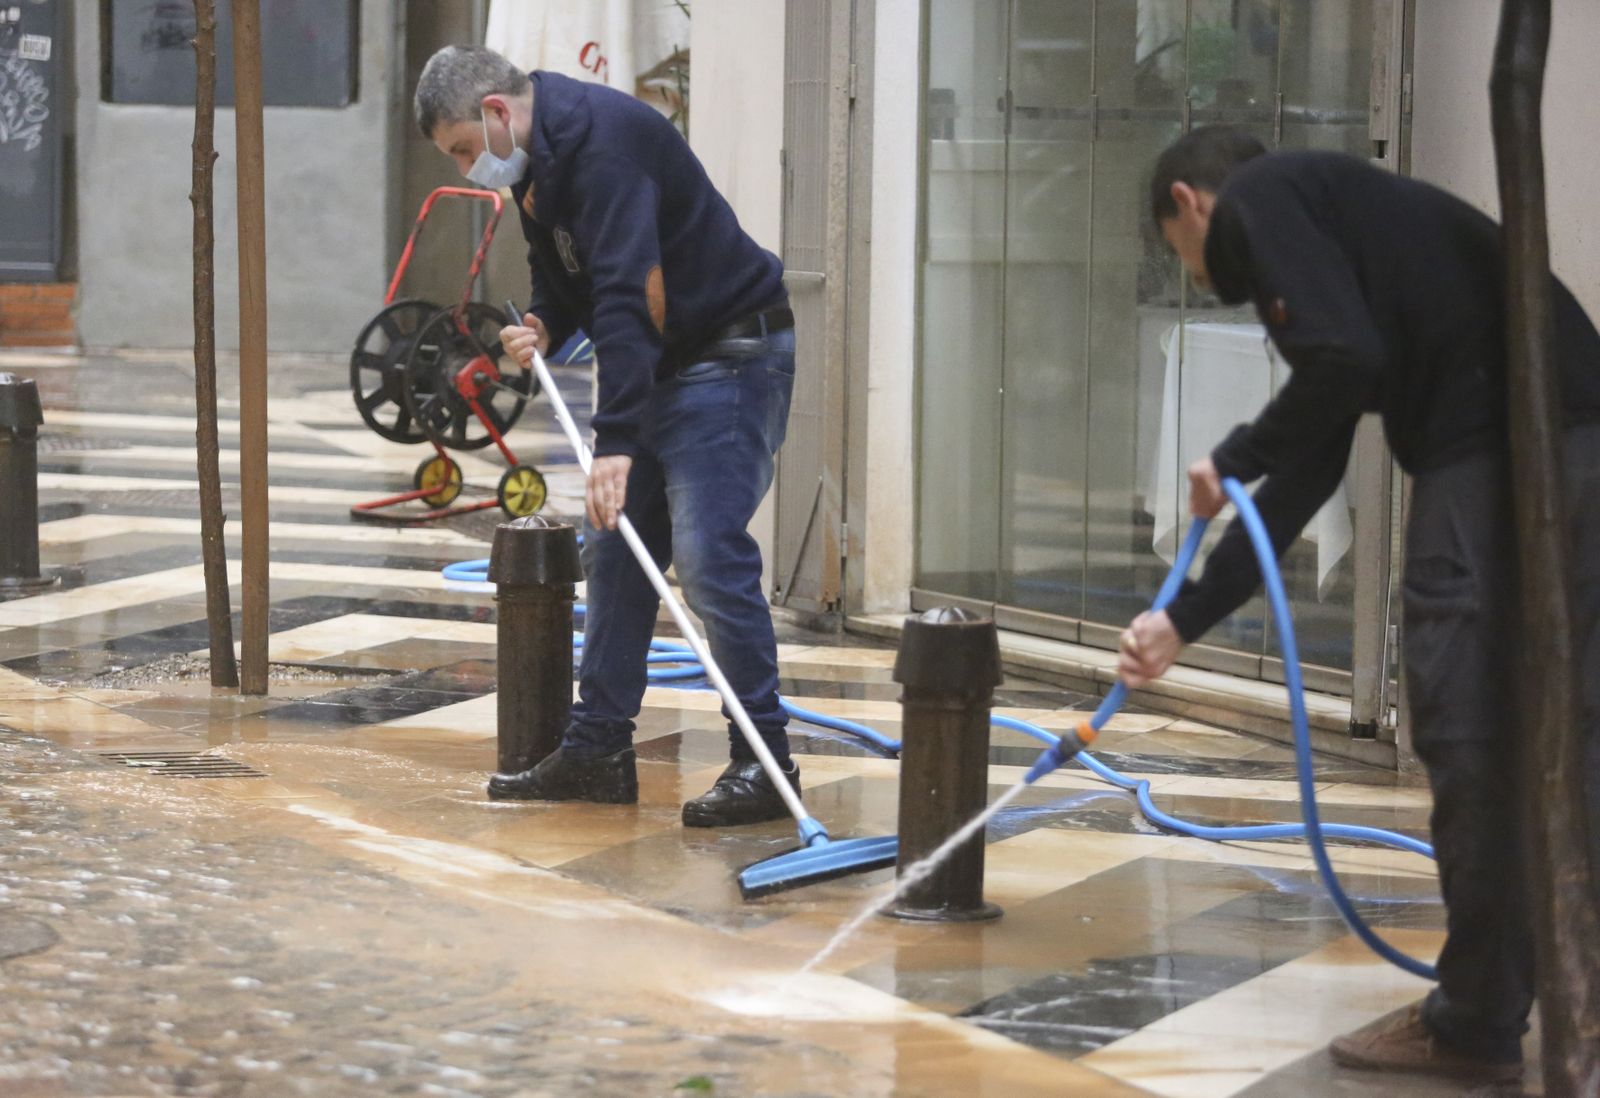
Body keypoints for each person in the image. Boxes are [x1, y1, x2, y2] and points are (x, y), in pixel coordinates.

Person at [1121, 126, 1600, 1085]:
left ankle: (1472, 1026)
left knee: (1469, 739)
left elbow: (1338, 361)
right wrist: (1186, 618)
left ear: (1190, 204)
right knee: (1565, 734)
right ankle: (1513, 1002)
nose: (1193, 268)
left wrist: (1231, 458)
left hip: (1494, 452)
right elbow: (1318, 450)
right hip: (1577, 437)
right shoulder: (1346, 221)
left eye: (1175, 247)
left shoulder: (1259, 203)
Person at [414, 45, 801, 827]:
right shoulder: (535, 160)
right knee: (617, 555)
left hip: (729, 356)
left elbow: (632, 296)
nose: (466, 168)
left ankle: (763, 762)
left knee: (708, 558)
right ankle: (598, 749)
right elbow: (567, 280)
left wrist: (614, 444)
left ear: (495, 114)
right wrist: (543, 324)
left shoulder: (605, 147)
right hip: (670, 358)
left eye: (462, 150)